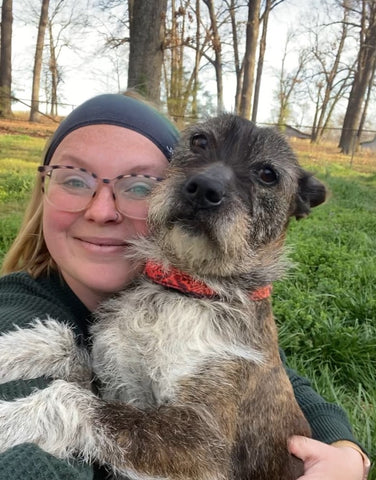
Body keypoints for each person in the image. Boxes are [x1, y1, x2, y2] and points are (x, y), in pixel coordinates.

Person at [0, 92, 370, 480]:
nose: (208, 182)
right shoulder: (19, 305)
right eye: (199, 144)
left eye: (266, 176)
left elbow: (274, 387)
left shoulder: (226, 323)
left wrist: (345, 450)